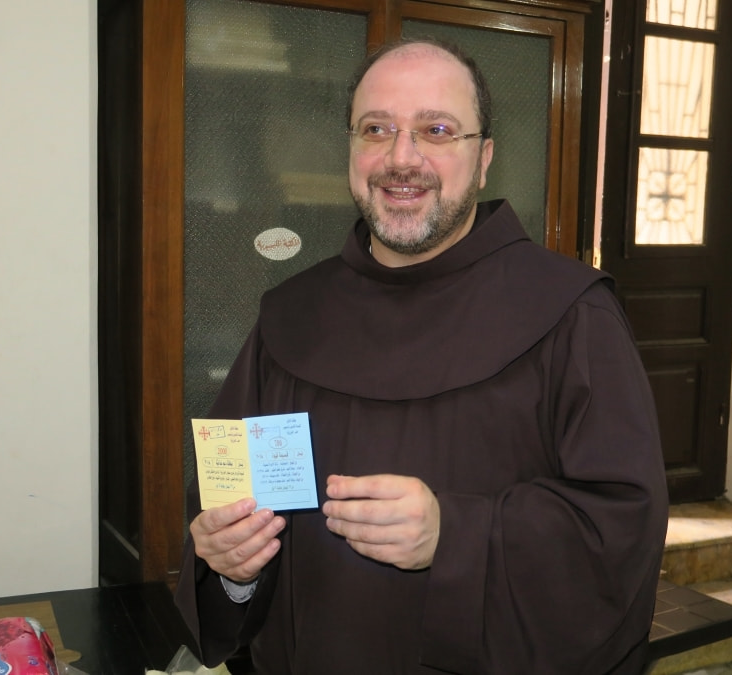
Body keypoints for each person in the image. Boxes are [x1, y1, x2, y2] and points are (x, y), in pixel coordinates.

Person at [175, 38, 669, 675]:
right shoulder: (289, 317)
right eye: (376, 129)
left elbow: (620, 533)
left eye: (436, 130)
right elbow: (229, 510)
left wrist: (453, 535)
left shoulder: (572, 313)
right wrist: (231, 569)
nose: (401, 158)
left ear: (483, 159)